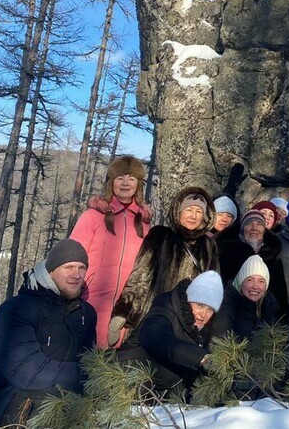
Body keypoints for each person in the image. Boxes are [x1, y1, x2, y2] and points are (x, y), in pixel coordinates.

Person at [0, 240, 97, 426]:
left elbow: (89, 360)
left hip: (64, 395)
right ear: (50, 271)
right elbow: (26, 370)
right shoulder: (17, 309)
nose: (76, 274)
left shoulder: (86, 314)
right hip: (8, 397)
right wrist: (85, 378)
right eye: (68, 267)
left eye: (82, 267)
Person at [109, 187, 218, 347]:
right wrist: (123, 311)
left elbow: (211, 291)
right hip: (151, 318)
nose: (193, 216)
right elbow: (141, 276)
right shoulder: (160, 235)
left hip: (187, 326)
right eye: (188, 210)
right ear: (178, 211)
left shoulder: (209, 246)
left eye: (198, 211)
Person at [70, 155, 151, 348]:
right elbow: (72, 258)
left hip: (125, 313)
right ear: (111, 181)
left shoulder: (143, 224)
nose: (125, 183)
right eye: (120, 177)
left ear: (138, 185)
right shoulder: (92, 217)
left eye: (131, 178)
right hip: (89, 305)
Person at [118, 271, 223, 400]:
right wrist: (200, 357)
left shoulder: (203, 332)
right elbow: (161, 340)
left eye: (210, 310)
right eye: (200, 305)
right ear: (189, 300)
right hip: (124, 384)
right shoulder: (164, 310)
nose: (203, 314)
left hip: (158, 398)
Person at [217, 209, 288, 314]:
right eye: (249, 223)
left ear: (264, 229)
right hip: (232, 310)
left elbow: (279, 289)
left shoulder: (273, 253)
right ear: (242, 228)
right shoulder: (228, 252)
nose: (254, 228)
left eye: (259, 224)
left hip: (267, 312)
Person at [212, 255, 280, 339]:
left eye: (261, 281)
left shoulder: (269, 307)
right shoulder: (226, 310)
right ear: (241, 282)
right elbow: (218, 347)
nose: (255, 286)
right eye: (250, 280)